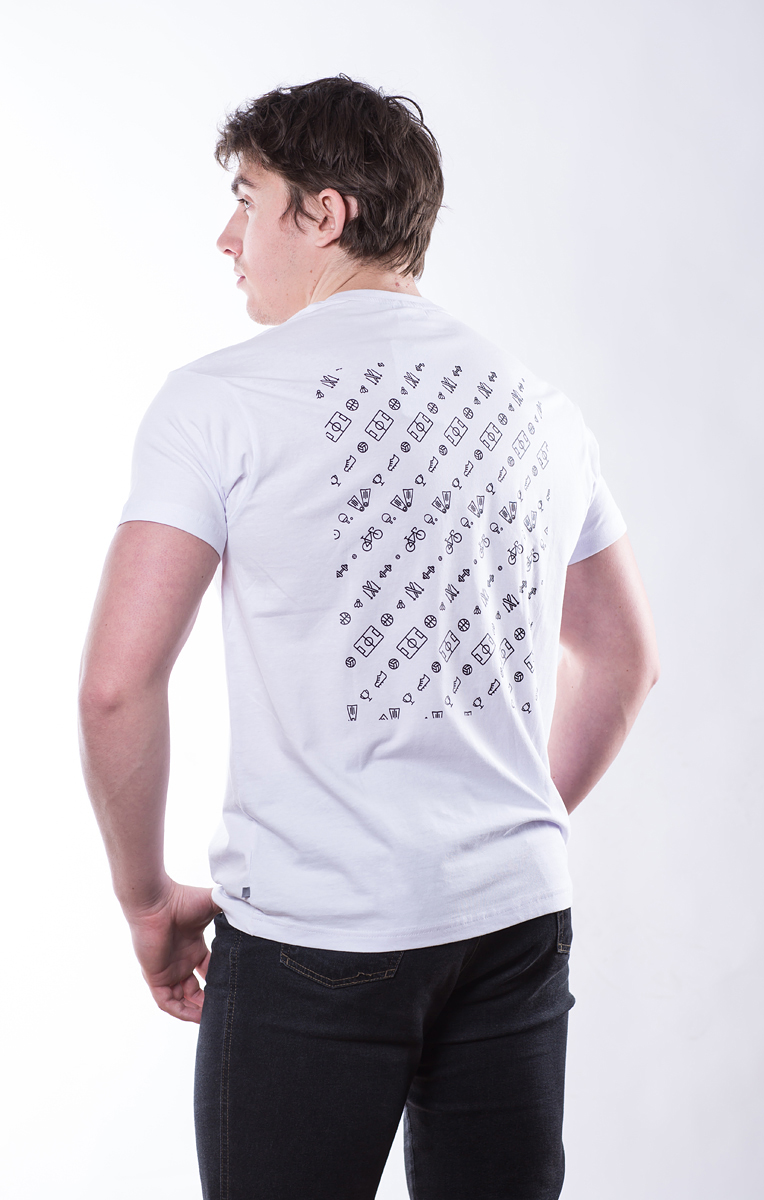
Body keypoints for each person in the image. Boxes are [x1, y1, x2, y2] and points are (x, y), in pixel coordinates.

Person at [78, 74, 660, 1200]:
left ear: (325, 214)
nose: (226, 237)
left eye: (248, 200)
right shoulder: (539, 410)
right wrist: (502, 822)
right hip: (516, 919)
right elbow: (625, 658)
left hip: (317, 928)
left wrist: (147, 901)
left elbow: (117, 685)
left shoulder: (219, 401)